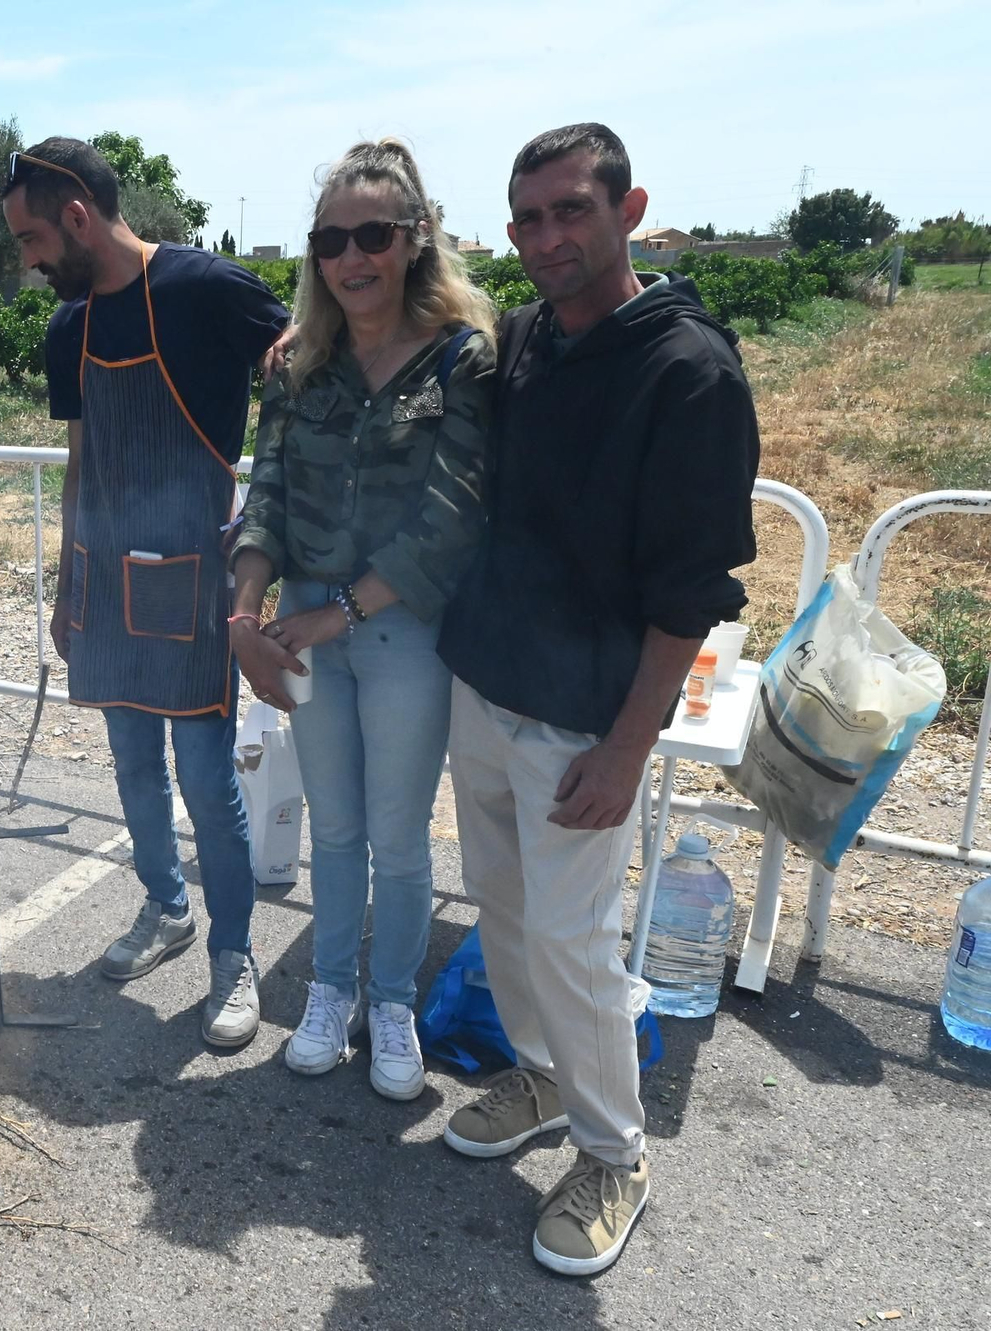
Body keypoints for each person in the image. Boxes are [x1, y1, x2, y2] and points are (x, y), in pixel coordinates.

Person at [436, 124, 759, 1276]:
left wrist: (628, 747)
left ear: (628, 211)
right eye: (525, 218)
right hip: (488, 681)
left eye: (569, 210)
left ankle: (613, 1150)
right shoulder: (526, 341)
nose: (544, 237)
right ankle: (532, 1072)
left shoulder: (687, 372)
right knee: (503, 907)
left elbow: (690, 591)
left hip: (584, 715)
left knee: (574, 941)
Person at [2, 137, 288, 1048]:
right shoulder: (68, 329)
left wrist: (273, 518)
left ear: (78, 216)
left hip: (194, 580)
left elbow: (302, 369)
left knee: (207, 779)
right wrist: (65, 579)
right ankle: (167, 908)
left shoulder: (208, 290)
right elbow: (82, 456)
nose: (30, 261)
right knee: (130, 764)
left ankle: (233, 954)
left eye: (33, 239)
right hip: (103, 578)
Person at [228, 139, 497, 1098]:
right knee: (334, 828)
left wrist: (337, 614)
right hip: (303, 623)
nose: (353, 257)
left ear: (415, 239)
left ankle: (392, 1000)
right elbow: (263, 493)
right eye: (332, 238)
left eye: (373, 234)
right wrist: (244, 612)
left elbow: (451, 517)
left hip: (398, 633)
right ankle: (331, 989)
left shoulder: (464, 357)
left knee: (398, 835)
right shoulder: (297, 363)